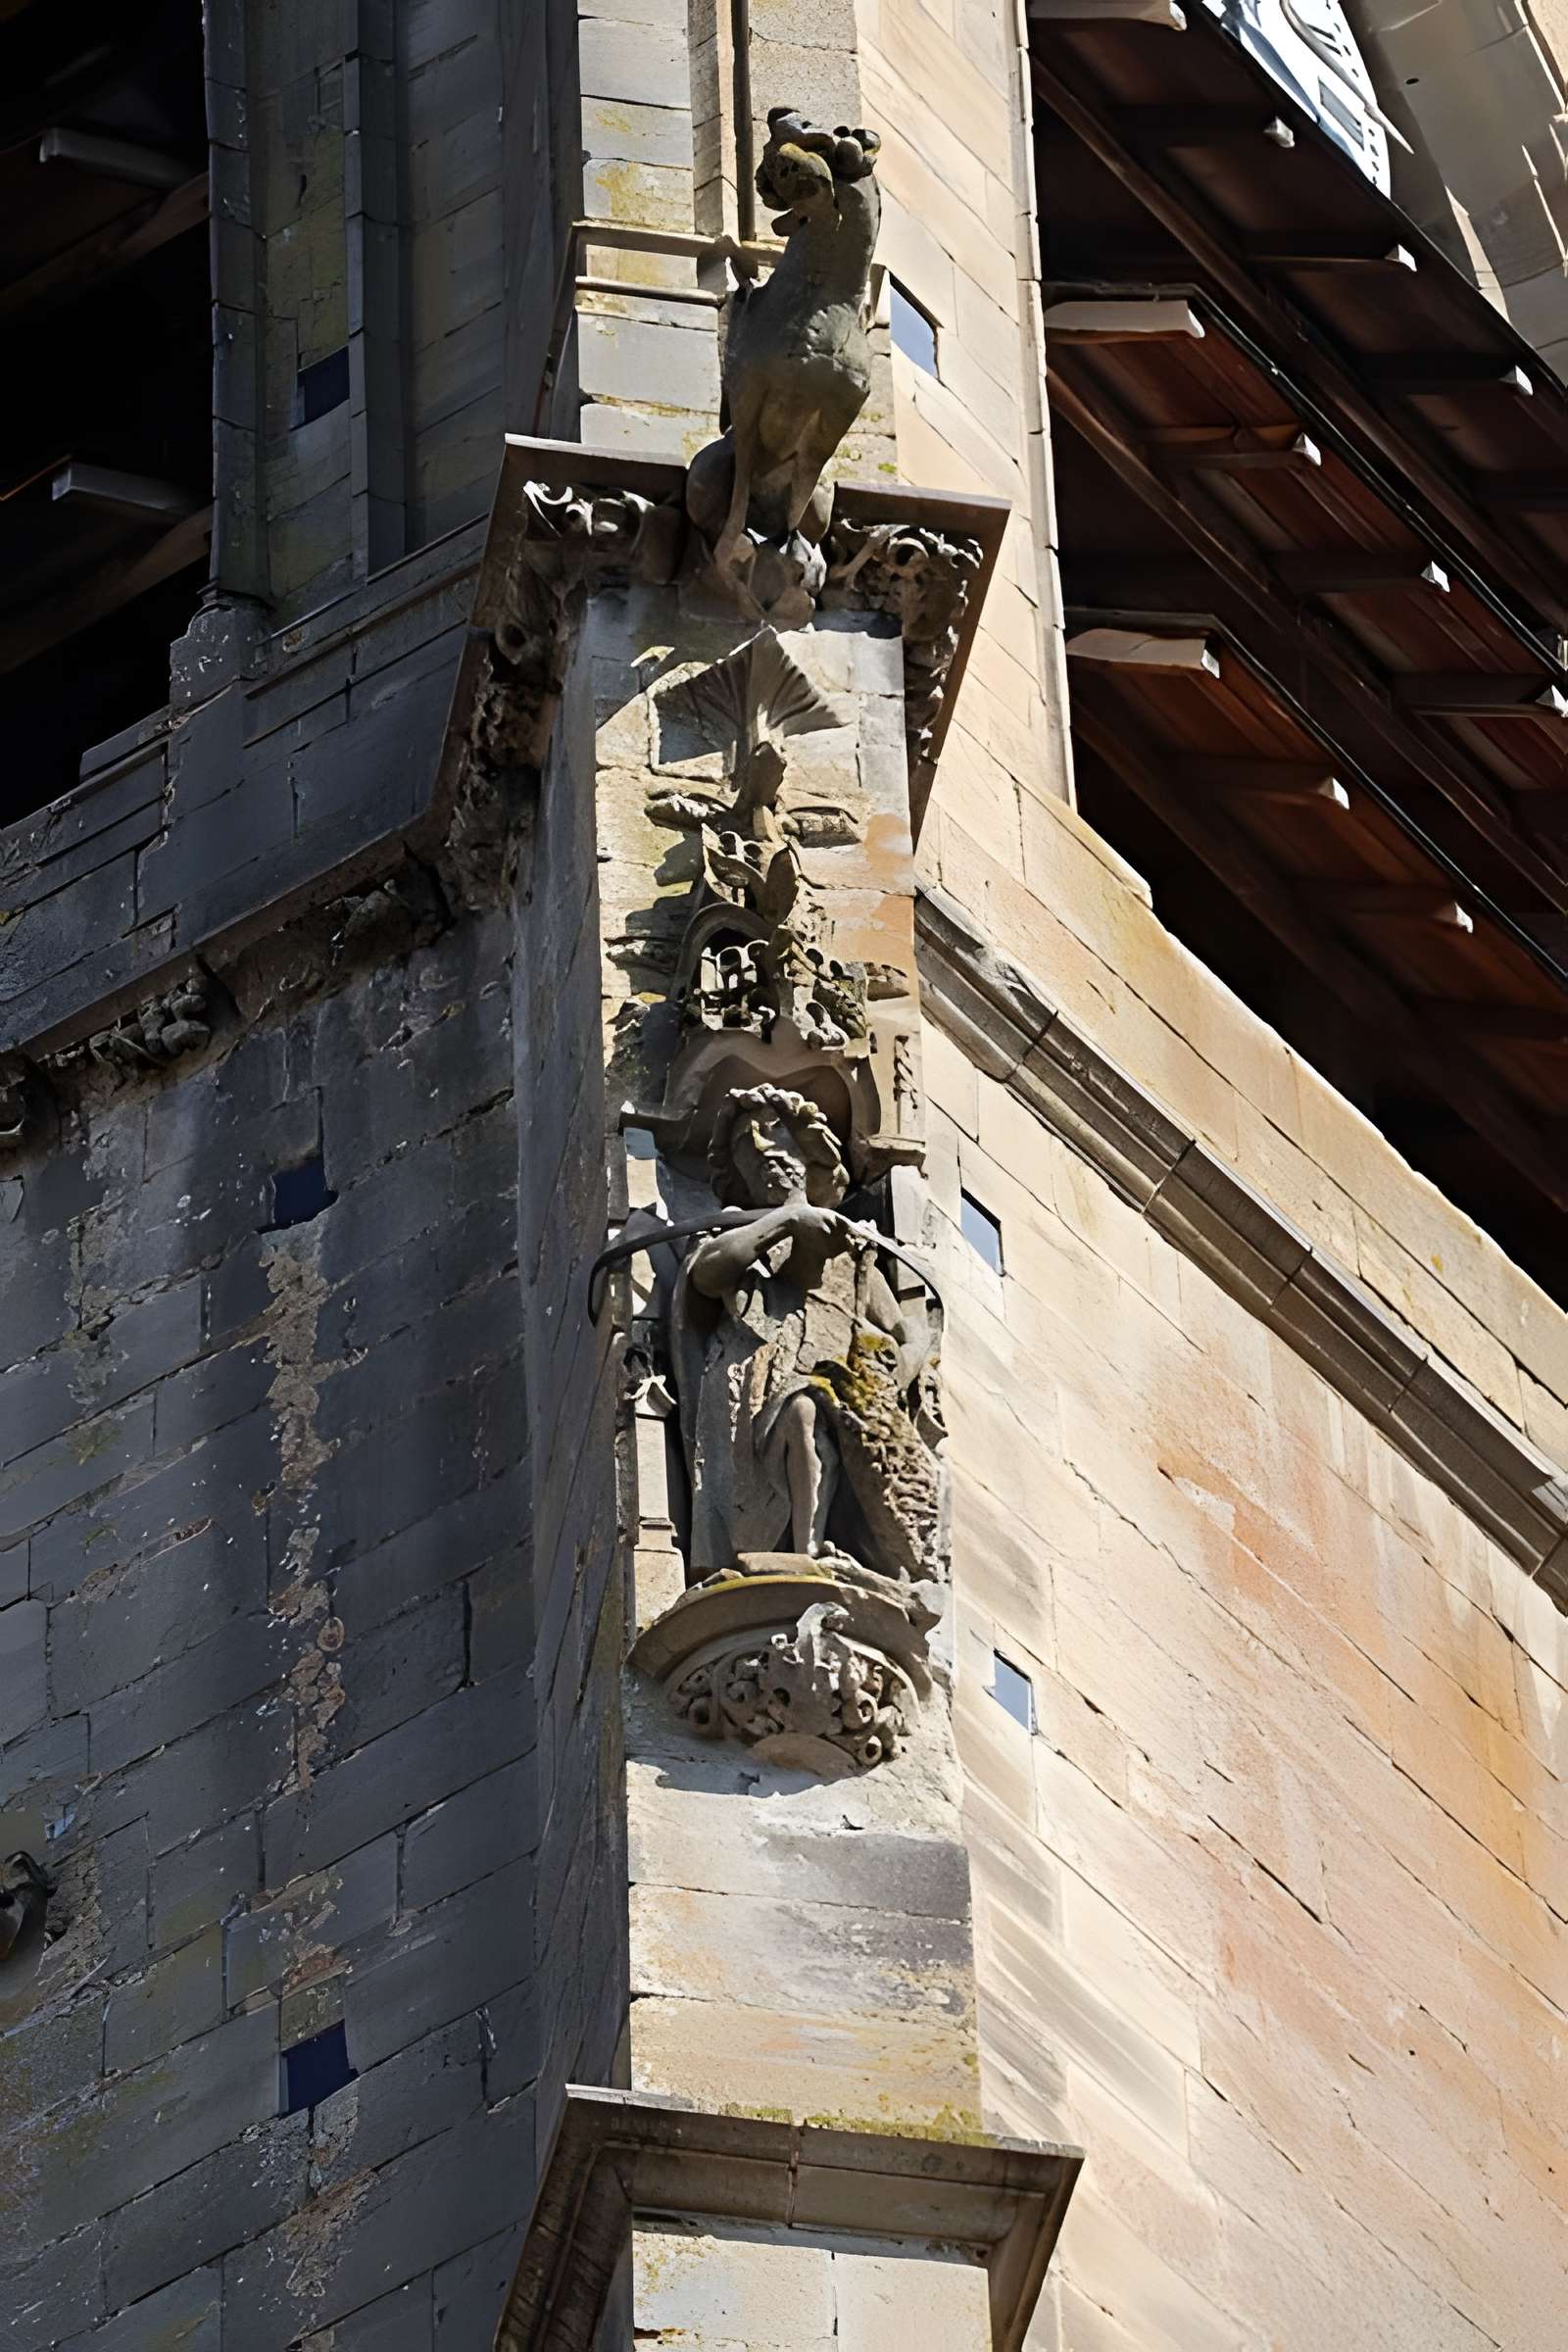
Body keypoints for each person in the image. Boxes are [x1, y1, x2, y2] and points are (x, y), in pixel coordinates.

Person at [669, 1084, 946, 1586]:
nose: (763, 1150)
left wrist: (902, 1364)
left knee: (810, 1413)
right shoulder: (736, 1230)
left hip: (830, 1380)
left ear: (809, 1145)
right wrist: (787, 1221)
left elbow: (909, 1330)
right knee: (801, 1410)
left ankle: (812, 1552)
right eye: (744, 1147)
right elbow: (707, 1275)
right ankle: (794, 1557)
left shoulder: (850, 1251)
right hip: (752, 1381)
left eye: (775, 1133)